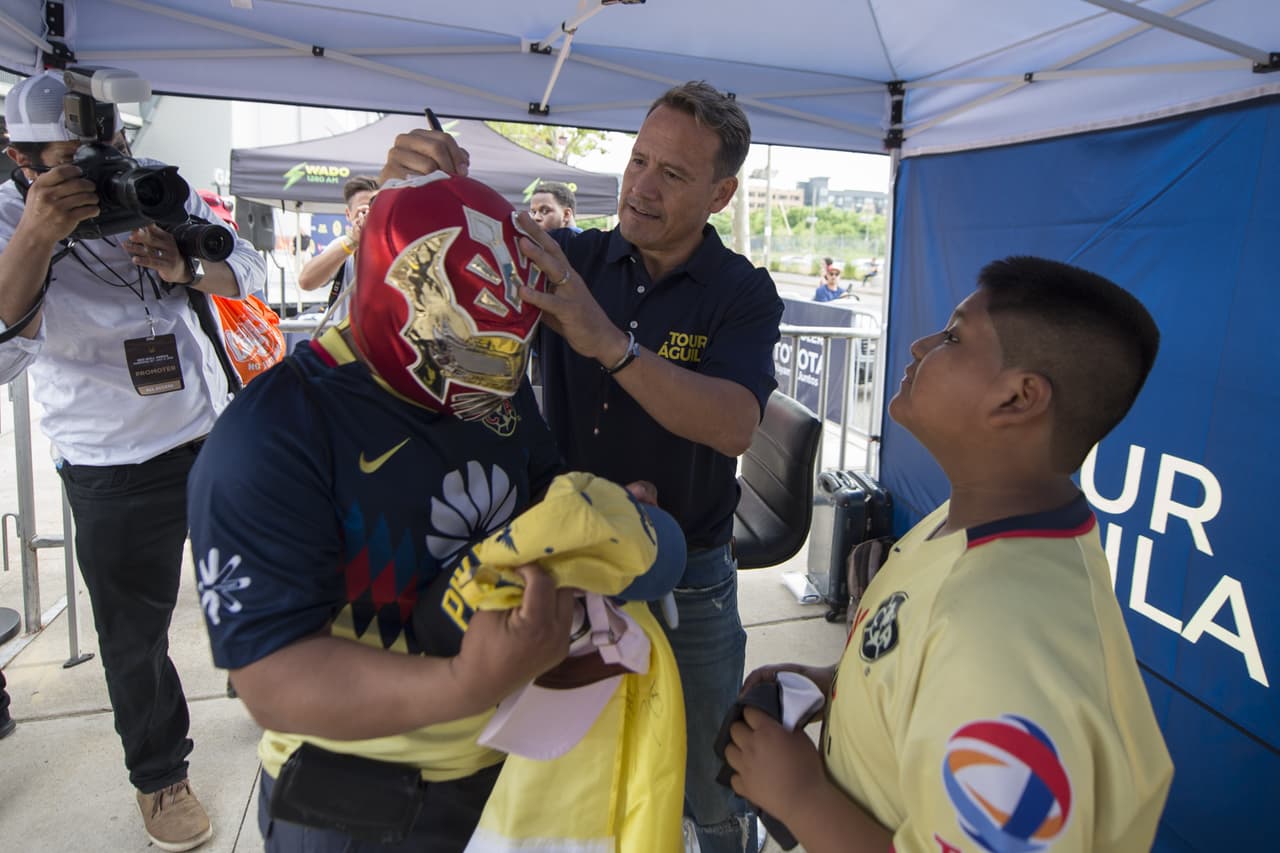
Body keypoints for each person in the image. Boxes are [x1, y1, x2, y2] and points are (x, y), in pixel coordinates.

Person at [187, 172, 685, 852]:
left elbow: (539, 496)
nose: (490, 380)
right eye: (470, 353)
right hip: (358, 802)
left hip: (516, 768)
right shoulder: (272, 431)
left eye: (509, 354)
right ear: (396, 298)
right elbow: (271, 677)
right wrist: (463, 684)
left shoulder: (496, 390)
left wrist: (597, 521)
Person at [382, 79, 784, 853]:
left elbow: (736, 424)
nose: (641, 186)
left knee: (710, 777)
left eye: (673, 173)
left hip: (691, 572)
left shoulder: (742, 292)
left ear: (723, 191)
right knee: (564, 764)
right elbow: (452, 268)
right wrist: (425, 185)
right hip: (567, 564)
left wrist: (611, 344)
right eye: (639, 161)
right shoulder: (574, 256)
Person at [723, 256, 1174, 853]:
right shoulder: (963, 521)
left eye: (955, 336)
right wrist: (837, 685)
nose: (918, 345)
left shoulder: (1003, 638)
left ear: (1018, 397)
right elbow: (920, 655)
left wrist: (801, 796)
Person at [0, 70, 266, 852]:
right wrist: (40, 235)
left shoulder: (149, 192)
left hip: (211, 433)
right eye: (73, 162)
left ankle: (261, 676)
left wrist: (185, 267)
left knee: (259, 578)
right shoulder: (14, 218)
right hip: (112, 461)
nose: (100, 172)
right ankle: (160, 775)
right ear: (24, 162)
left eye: (109, 148)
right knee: (134, 635)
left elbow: (245, 270)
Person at [296, 174, 378, 322]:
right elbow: (306, 281)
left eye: (375, 209)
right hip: (344, 342)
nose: (367, 217)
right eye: (362, 211)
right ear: (348, 214)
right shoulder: (343, 245)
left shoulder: (395, 245)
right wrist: (352, 241)